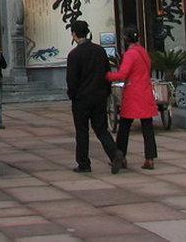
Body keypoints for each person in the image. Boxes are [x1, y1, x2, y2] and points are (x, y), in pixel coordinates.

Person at [65, 20, 122, 174]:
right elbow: (107, 72)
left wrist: (72, 95)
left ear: (74, 34)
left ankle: (84, 163)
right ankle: (115, 153)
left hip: (81, 99)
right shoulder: (99, 51)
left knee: (82, 131)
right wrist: (107, 92)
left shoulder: (74, 55)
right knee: (101, 128)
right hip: (99, 96)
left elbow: (71, 80)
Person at [107, 27, 158, 170]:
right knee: (147, 127)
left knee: (124, 127)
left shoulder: (130, 54)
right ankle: (150, 158)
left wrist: (108, 76)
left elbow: (122, 74)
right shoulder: (143, 52)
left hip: (133, 93)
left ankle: (120, 156)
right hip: (146, 91)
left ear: (126, 39)